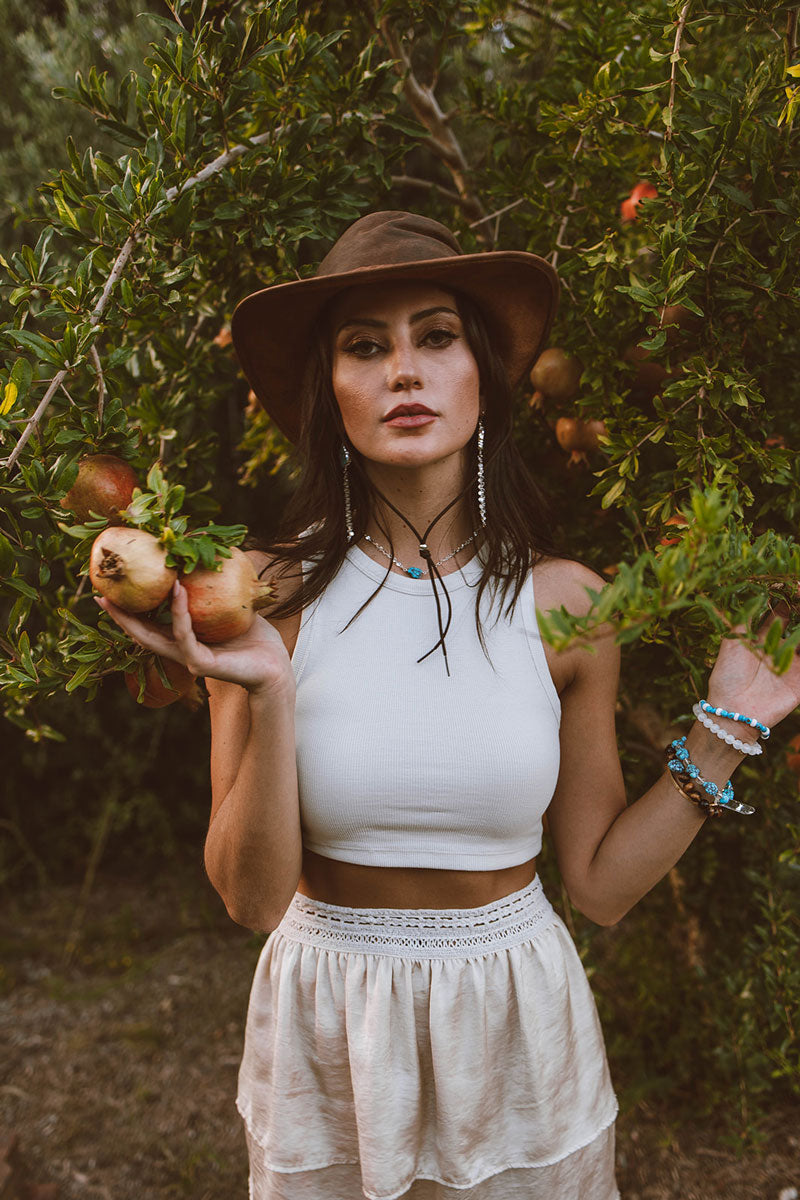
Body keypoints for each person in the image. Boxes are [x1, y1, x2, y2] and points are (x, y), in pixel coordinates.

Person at [96, 211, 800, 1199]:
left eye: (435, 336)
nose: (402, 371)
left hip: (514, 1012)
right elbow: (250, 899)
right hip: (330, 1015)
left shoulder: (567, 606)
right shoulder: (258, 595)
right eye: (363, 346)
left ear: (484, 375)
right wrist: (266, 690)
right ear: (327, 389)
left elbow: (596, 885)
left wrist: (724, 732)